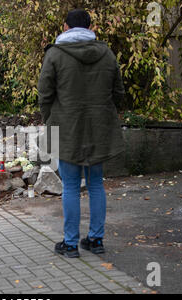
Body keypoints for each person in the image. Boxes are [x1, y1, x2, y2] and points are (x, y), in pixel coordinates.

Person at [38, 9, 125, 258]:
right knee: (97, 184)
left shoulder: (55, 54)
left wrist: (49, 120)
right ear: (90, 27)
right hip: (99, 129)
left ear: (65, 27)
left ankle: (70, 244)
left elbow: (45, 94)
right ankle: (96, 240)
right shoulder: (106, 53)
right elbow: (118, 92)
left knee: (71, 187)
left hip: (66, 128)